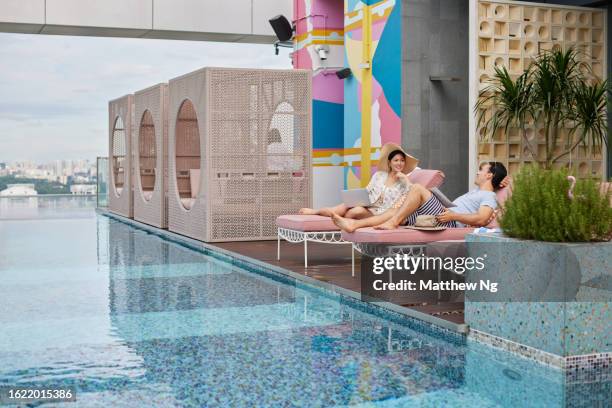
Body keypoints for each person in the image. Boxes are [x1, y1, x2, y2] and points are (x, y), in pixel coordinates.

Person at [332, 162, 508, 232]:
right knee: (396, 210)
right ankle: (353, 224)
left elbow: (483, 218)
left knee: (417, 188)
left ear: (490, 175)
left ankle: (393, 223)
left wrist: (454, 215)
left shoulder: (488, 196)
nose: (477, 172)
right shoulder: (475, 192)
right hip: (443, 216)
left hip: (450, 221)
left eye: (481, 170)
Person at [299, 143, 422, 220]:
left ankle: (336, 219)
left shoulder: (404, 182)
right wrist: (359, 200)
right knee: (343, 206)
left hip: (381, 213)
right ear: (389, 162)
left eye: (402, 161)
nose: (399, 163)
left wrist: (405, 179)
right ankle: (314, 212)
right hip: (368, 205)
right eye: (396, 160)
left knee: (354, 211)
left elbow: (411, 196)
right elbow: (367, 190)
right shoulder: (379, 175)